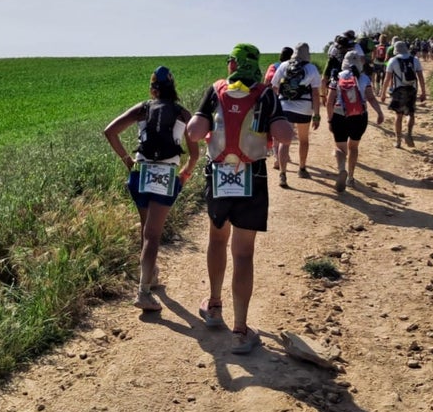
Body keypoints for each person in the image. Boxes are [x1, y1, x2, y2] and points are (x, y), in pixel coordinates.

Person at [186, 44, 293, 353]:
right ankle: (241, 331)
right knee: (243, 254)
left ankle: (213, 306)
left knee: (217, 240)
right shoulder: (265, 93)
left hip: (219, 175)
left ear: (232, 64)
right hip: (252, 176)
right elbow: (285, 135)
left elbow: (194, 132)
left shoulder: (216, 89)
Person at [103, 65, 200, 312]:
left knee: (146, 229)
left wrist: (128, 161)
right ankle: (144, 292)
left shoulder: (143, 108)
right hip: (165, 175)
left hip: (140, 172)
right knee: (153, 234)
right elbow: (194, 153)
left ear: (153, 89)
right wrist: (185, 173)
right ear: (173, 89)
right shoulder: (182, 114)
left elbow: (110, 132)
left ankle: (151, 276)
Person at [324, 49, 384, 192]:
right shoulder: (364, 78)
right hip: (359, 117)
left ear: (344, 62)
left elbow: (329, 101)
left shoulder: (337, 77)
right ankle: (350, 177)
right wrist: (379, 112)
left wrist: (330, 119)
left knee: (340, 147)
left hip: (340, 116)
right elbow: (371, 98)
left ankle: (341, 169)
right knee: (353, 147)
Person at [271, 41, 322, 187]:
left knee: (284, 141)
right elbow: (315, 93)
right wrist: (316, 114)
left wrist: (275, 107)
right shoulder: (311, 68)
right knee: (303, 140)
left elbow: (274, 87)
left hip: (284, 107)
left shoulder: (283, 65)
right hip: (304, 109)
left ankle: (283, 174)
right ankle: (302, 168)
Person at [380, 39, 426, 148]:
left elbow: (387, 79)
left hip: (399, 90)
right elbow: (420, 77)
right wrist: (423, 92)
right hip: (412, 89)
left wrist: (383, 93)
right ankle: (409, 133)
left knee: (399, 115)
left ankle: (398, 141)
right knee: (410, 113)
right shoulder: (415, 59)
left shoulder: (393, 60)